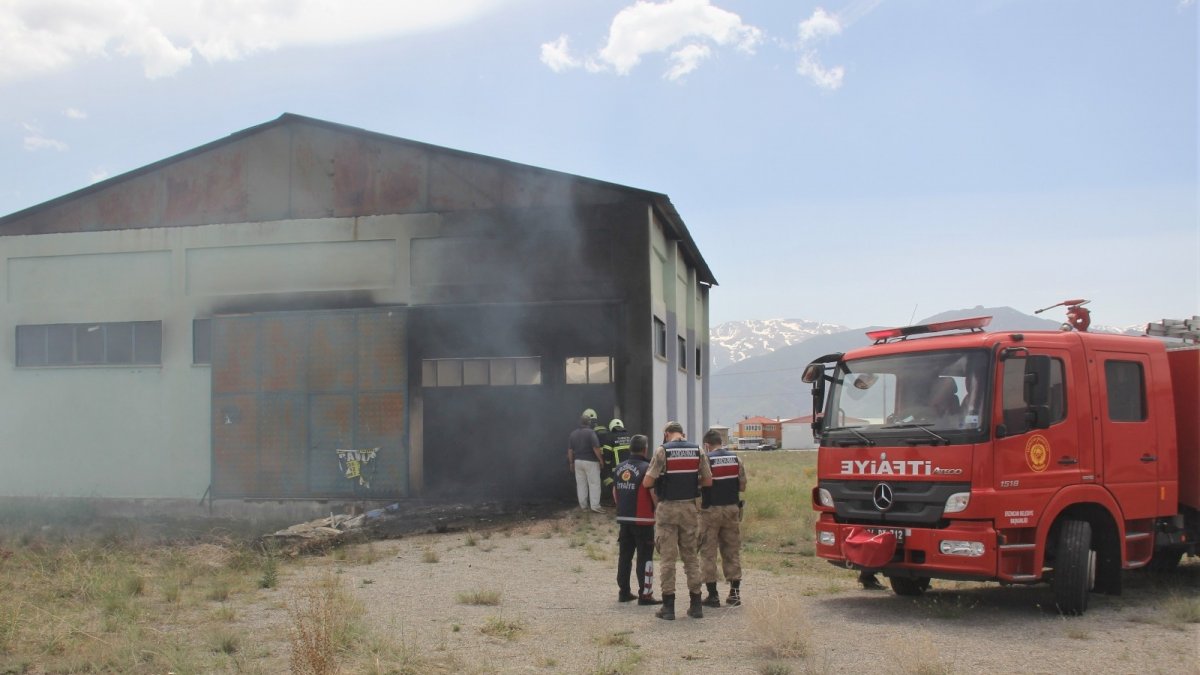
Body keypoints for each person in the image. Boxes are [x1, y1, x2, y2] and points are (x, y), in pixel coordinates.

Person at [642, 421, 712, 620]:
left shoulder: (662, 451)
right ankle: (696, 605)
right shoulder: (698, 450)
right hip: (689, 508)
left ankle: (668, 607)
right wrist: (690, 482)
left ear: (666, 434)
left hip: (668, 509)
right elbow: (708, 481)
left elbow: (647, 482)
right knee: (691, 558)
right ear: (683, 433)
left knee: (668, 559)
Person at [698, 428, 746, 607]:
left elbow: (700, 483)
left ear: (707, 445)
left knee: (708, 552)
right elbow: (742, 486)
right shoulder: (736, 459)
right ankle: (734, 594)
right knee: (731, 551)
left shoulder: (706, 460)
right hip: (732, 509)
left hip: (710, 511)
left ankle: (713, 595)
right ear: (721, 442)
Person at [612, 434, 661, 605]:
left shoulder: (619, 468)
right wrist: (658, 510)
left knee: (624, 557)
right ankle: (645, 595)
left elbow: (615, 492)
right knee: (645, 558)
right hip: (643, 521)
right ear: (645, 449)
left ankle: (624, 592)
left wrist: (622, 508)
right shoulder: (647, 468)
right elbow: (653, 493)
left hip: (624, 519)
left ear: (630, 448)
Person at [568, 409, 604, 513]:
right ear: (589, 422)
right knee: (594, 484)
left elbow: (570, 450)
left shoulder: (573, 434)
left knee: (581, 484)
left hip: (578, 462)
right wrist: (601, 460)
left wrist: (571, 463)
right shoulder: (591, 433)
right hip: (591, 462)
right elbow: (595, 448)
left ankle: (583, 507)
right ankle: (595, 506)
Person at [602, 419, 632, 496]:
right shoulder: (629, 436)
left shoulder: (610, 437)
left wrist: (607, 463)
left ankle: (616, 499)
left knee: (617, 485)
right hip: (630, 466)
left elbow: (607, 453)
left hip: (617, 467)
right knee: (629, 484)